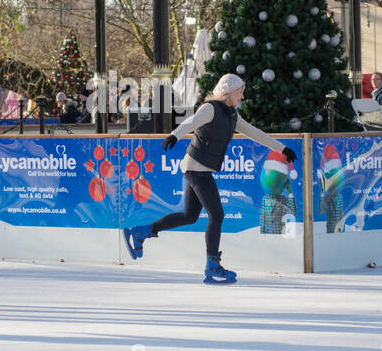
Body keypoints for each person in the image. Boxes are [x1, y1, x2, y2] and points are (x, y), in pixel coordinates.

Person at [123, 73, 297, 283]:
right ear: (229, 91)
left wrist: (282, 149)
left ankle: (142, 232)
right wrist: (175, 135)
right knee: (217, 214)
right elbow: (191, 122)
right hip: (196, 168)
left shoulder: (232, 115)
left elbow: (254, 132)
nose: (242, 96)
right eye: (240, 91)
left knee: (189, 216)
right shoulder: (210, 108)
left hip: (200, 169)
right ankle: (212, 264)